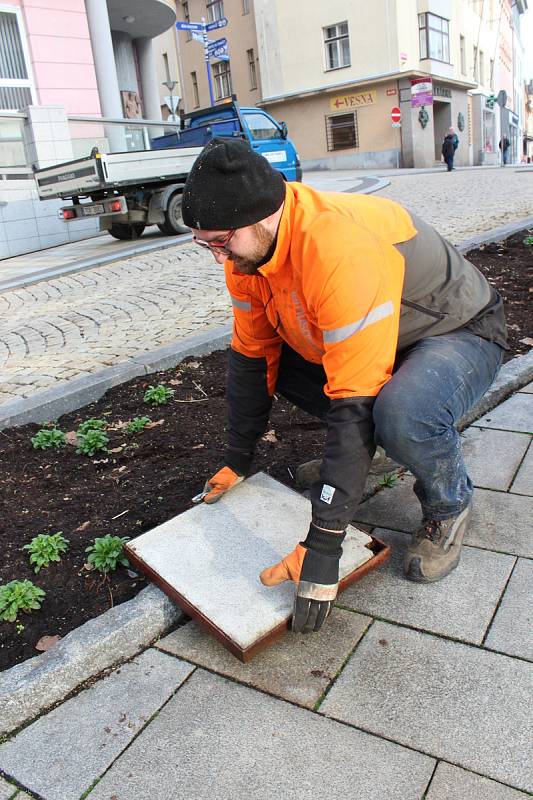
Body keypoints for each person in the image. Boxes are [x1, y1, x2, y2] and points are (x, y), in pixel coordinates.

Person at [181, 138, 507, 635]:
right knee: (282, 366)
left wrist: (323, 546)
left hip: (456, 331)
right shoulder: (247, 259)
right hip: (382, 334)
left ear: (264, 219)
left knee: (401, 413)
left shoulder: (338, 249)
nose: (215, 256)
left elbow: (353, 398)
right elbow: (252, 360)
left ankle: (449, 503)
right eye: (203, 243)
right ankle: (374, 452)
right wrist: (238, 459)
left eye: (220, 241)